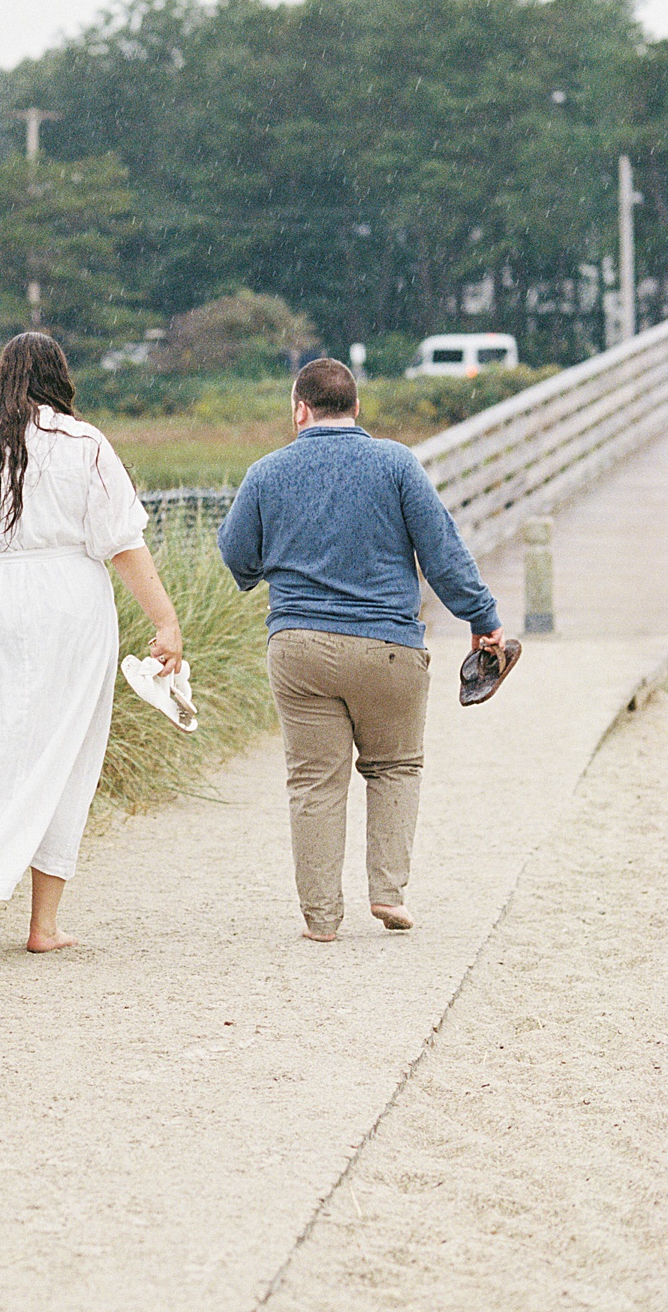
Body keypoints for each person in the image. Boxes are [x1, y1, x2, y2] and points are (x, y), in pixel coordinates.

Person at [0, 332, 183, 952]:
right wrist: (165, 621)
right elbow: (123, 543)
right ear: (60, 378)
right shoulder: (85, 442)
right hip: (68, 600)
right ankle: (43, 926)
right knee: (66, 750)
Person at [217, 357, 506, 942]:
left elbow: (236, 556)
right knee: (395, 766)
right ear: (357, 408)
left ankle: (321, 919)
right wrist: (482, 619)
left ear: (299, 409)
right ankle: (389, 895)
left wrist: (266, 568)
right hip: (388, 646)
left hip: (298, 646)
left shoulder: (266, 472)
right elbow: (442, 553)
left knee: (314, 782)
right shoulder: (395, 463)